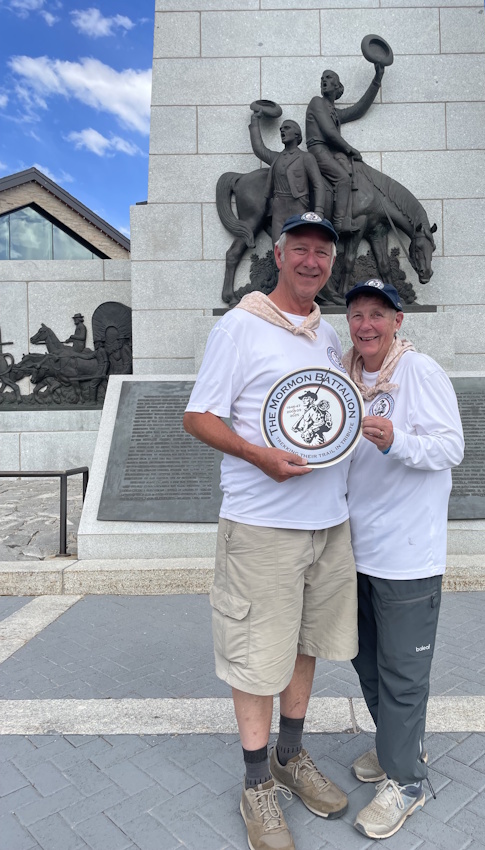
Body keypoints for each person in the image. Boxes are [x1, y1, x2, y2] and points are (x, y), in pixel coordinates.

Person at [183, 211, 357, 850]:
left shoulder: (326, 334)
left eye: (322, 253)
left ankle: (290, 755)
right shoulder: (240, 326)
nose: (312, 261)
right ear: (278, 255)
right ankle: (256, 783)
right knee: (258, 658)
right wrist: (258, 456)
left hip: (327, 524)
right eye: (300, 249)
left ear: (331, 263)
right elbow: (198, 416)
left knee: (303, 646)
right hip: (262, 525)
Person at [342, 279, 464, 840]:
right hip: (355, 551)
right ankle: (398, 744)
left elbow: (451, 447)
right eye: (357, 314)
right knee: (365, 662)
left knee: (402, 673)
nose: (366, 325)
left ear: (398, 322)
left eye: (378, 314)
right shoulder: (345, 379)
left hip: (408, 557)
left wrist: (398, 441)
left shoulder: (420, 372)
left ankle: (407, 780)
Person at [305, 65, 384, 234]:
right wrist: (350, 149)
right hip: (318, 150)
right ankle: (339, 222)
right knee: (342, 179)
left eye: (328, 78)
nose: (323, 80)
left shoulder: (334, 112)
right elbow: (329, 132)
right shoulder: (317, 102)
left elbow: (359, 109)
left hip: (329, 152)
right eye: (322, 78)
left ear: (337, 86)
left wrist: (377, 80)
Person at [249, 112, 326, 244]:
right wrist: (255, 121)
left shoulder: (306, 158)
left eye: (287, 128)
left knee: (297, 246)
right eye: (281, 129)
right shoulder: (276, 158)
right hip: (278, 209)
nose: (282, 131)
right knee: (277, 247)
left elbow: (318, 184)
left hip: (298, 207)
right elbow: (259, 149)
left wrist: (319, 210)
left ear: (297, 134)